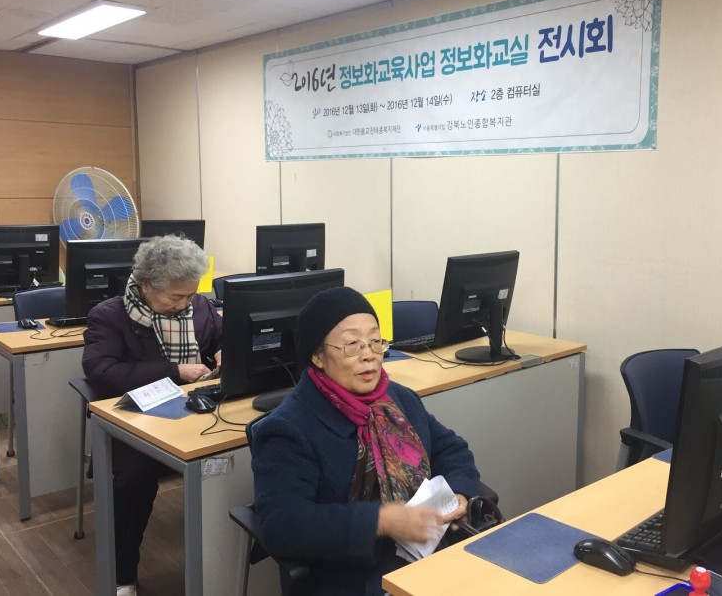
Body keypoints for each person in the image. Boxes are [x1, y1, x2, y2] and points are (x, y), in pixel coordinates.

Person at [251, 286, 480, 595]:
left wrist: (460, 494)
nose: (369, 354)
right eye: (352, 345)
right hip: (353, 576)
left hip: (431, 555)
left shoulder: (399, 400)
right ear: (317, 355)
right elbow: (283, 524)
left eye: (375, 341)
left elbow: (452, 449)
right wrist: (381, 521)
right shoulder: (288, 428)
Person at [82, 234, 222, 596]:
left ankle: (223, 562)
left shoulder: (200, 307)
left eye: (191, 295)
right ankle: (122, 574)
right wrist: (175, 371)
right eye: (176, 297)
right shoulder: (108, 316)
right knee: (135, 476)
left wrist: (225, 350)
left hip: (194, 410)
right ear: (146, 285)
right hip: (135, 422)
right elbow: (101, 373)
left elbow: (220, 337)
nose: (186, 304)